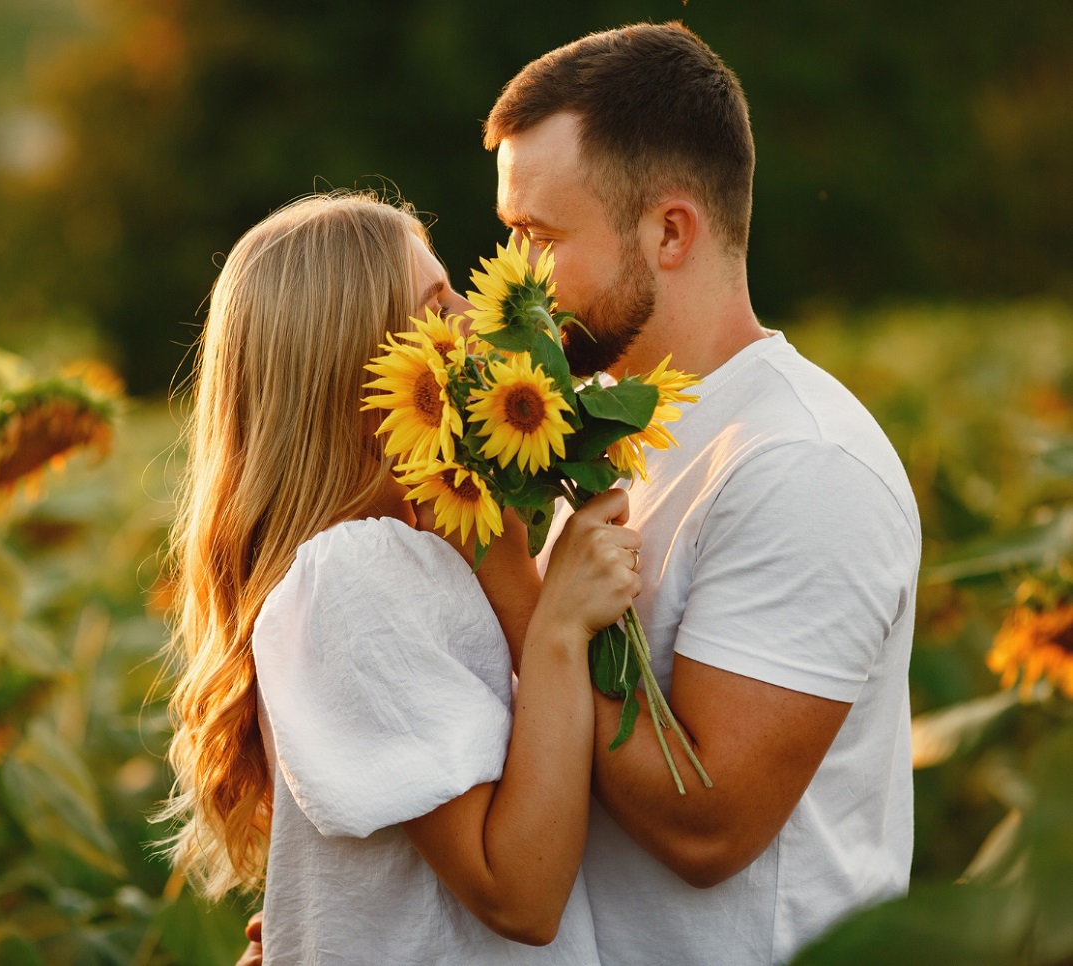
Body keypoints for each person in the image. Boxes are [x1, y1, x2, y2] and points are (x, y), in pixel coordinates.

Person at [237, 21, 919, 966]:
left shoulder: (802, 464)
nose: (508, 279)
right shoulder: (559, 431)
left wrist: (523, 594)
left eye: (539, 237)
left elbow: (707, 832)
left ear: (670, 231)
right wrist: (355, 910)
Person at [160, 191, 645, 964]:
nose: (472, 317)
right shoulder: (356, 573)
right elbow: (518, 893)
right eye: (437, 301)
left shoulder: (391, 560)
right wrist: (559, 623)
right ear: (362, 365)